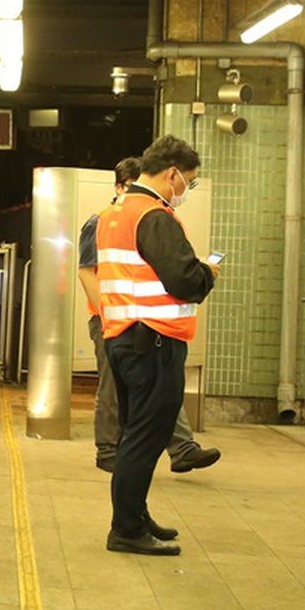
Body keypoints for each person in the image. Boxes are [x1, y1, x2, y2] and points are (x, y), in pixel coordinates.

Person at [96, 136, 217, 556]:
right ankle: (127, 529)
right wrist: (208, 274)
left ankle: (136, 515)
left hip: (124, 338)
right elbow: (183, 279)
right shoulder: (154, 215)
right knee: (146, 437)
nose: (188, 189)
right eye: (190, 181)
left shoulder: (114, 212)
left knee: (134, 434)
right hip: (154, 342)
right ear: (172, 174)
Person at [79, 158, 221, 476]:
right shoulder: (100, 221)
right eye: (129, 188)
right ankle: (109, 450)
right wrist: (106, 314)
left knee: (160, 389)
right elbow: (87, 272)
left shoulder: (155, 218)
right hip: (112, 320)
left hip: (143, 322)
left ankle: (182, 448)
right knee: (113, 388)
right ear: (118, 187)